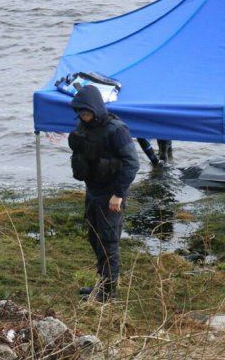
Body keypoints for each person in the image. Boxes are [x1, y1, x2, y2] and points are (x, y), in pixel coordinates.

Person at [67, 85, 139, 302]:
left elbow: (132, 163)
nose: (83, 116)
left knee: (109, 242)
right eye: (80, 112)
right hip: (93, 190)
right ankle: (101, 284)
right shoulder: (83, 127)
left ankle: (109, 293)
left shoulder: (117, 130)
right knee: (94, 238)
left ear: (96, 108)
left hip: (111, 194)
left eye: (86, 112)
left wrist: (118, 194)